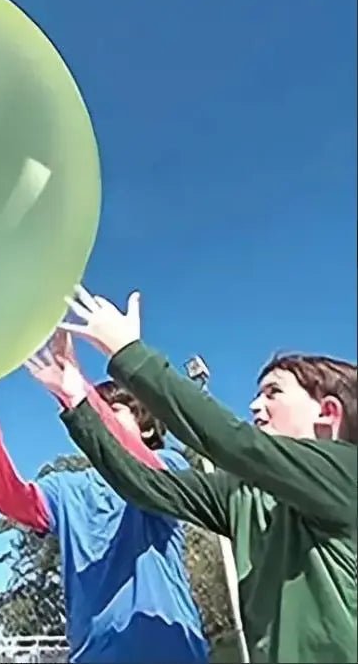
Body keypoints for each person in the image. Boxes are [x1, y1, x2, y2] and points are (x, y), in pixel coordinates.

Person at [55, 284, 358, 664]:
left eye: (273, 393)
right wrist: (76, 402)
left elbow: (233, 442)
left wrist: (128, 354)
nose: (255, 405)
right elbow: (147, 483)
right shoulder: (246, 498)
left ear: (327, 413)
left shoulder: (347, 475)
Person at [0, 332, 208, 664]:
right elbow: (11, 499)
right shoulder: (67, 488)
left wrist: (77, 391)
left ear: (147, 428)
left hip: (171, 651)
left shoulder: (169, 465)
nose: (99, 417)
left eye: (112, 410)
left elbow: (140, 465)